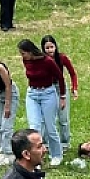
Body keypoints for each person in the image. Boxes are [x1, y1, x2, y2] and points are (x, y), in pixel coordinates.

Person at [19, 39, 67, 167]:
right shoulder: (26, 61)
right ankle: (36, 158)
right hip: (32, 93)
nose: (22, 56)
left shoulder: (48, 61)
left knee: (50, 126)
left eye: (23, 53)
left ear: (30, 51)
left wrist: (62, 96)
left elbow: (60, 77)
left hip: (47, 93)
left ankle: (56, 154)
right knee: (34, 127)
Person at [42, 34, 79, 149]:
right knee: (48, 117)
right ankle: (46, 142)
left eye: (51, 47)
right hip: (48, 88)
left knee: (63, 117)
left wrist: (74, 88)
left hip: (60, 87)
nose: (50, 50)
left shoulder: (62, 58)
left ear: (55, 47)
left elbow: (72, 73)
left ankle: (65, 142)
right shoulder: (42, 60)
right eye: (47, 48)